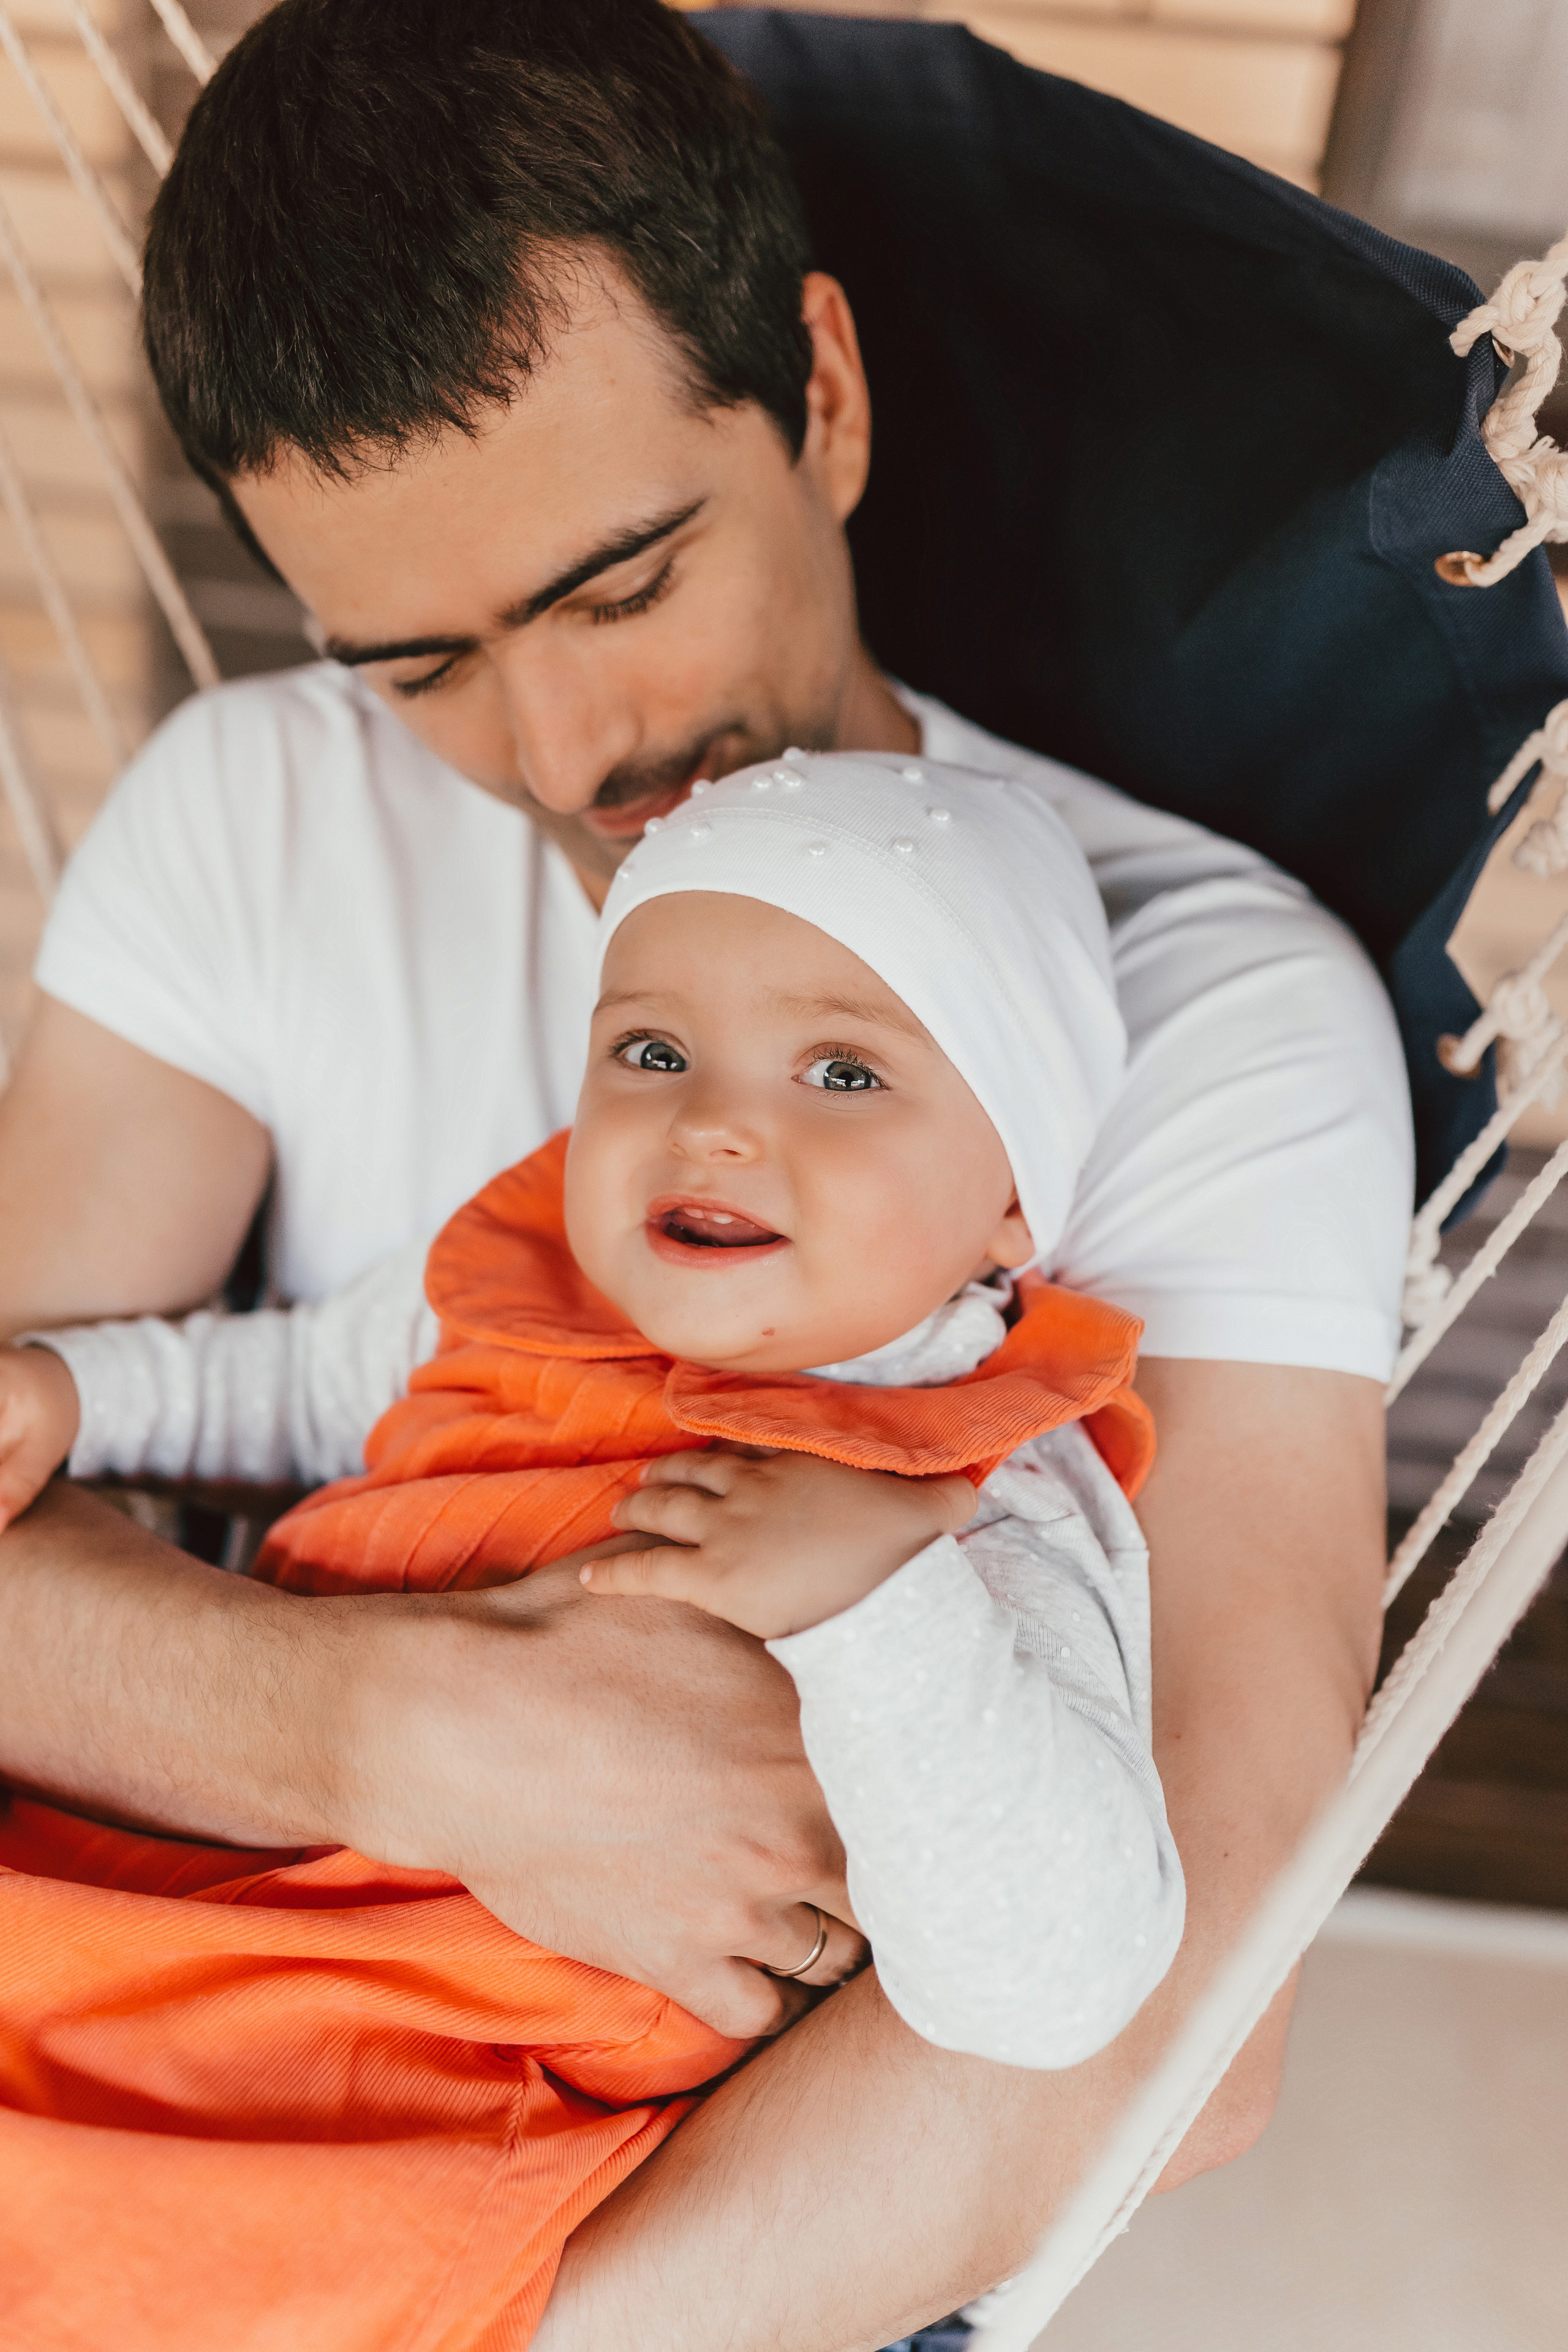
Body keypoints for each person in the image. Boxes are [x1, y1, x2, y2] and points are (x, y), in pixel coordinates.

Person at [0, 4, 1409, 2343]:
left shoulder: (1197, 1008)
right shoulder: (255, 818)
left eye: (620, 581)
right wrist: (407, 1735)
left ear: (823, 399)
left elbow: (1193, 2018)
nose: (568, 753)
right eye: (418, 661)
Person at [0, 758, 1186, 2345]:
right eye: (653, 1049)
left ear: (1011, 1201)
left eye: (842, 1075)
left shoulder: (980, 1498)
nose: (715, 1123)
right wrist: (84, 1388)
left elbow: (1054, 1987)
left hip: (420, 2080)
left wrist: (878, 1604)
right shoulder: (518, 1285)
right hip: (192, 1865)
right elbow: (286, 1384)